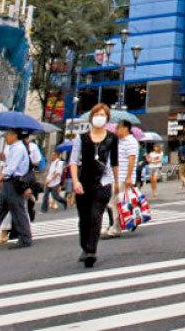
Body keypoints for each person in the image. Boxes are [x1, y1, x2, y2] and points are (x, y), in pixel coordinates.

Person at [69, 103, 118, 268]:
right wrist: (75, 181)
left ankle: (91, 251)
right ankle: (85, 246)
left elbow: (115, 163)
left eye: (103, 114)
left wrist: (117, 182)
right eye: (97, 113)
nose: (99, 117)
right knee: (84, 219)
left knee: (96, 216)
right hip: (83, 183)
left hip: (103, 183)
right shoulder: (81, 138)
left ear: (107, 118)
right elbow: (73, 161)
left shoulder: (112, 138)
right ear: (91, 117)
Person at [107, 119, 140, 236]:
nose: (116, 130)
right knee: (115, 202)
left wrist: (129, 177)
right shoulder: (119, 141)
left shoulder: (131, 141)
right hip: (116, 176)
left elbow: (131, 159)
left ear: (125, 128)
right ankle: (118, 225)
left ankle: (116, 228)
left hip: (123, 177)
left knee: (117, 203)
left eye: (118, 128)